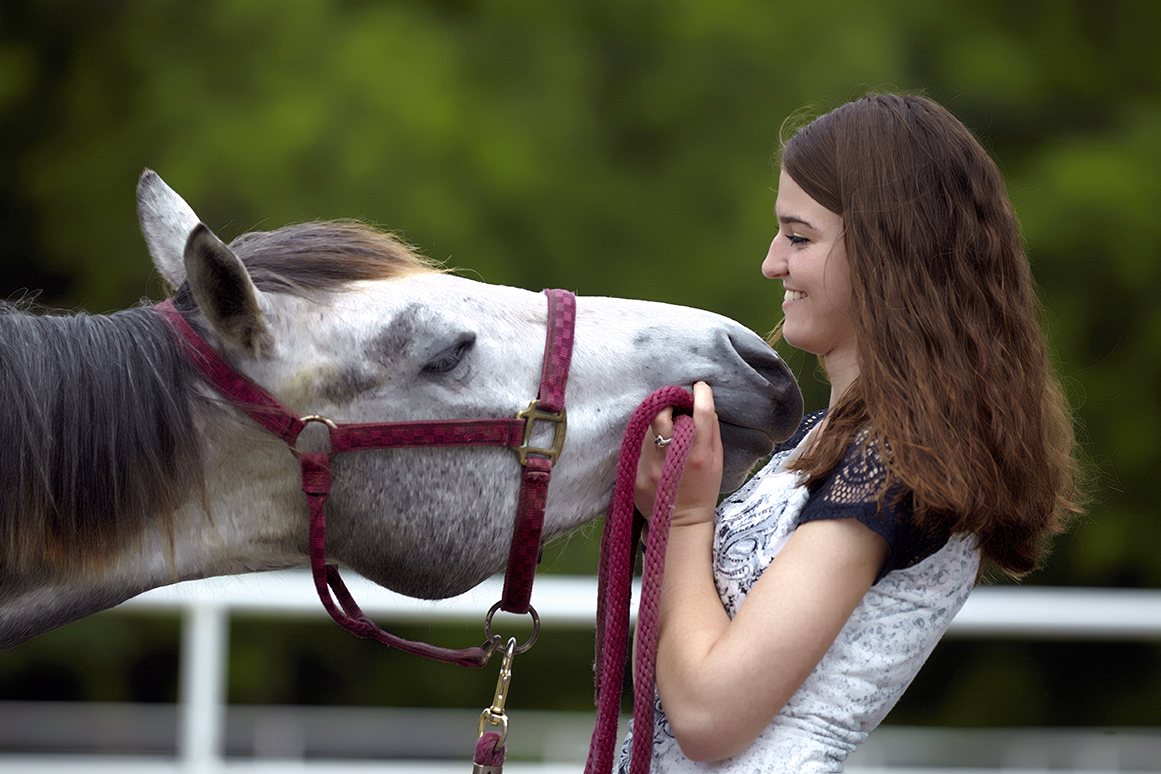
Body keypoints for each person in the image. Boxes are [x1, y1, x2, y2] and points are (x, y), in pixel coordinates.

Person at [621, 93, 1085, 773]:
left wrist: (686, 519)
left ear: (887, 253)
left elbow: (707, 717)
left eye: (798, 237)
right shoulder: (830, 445)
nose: (771, 262)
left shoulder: (897, 464)